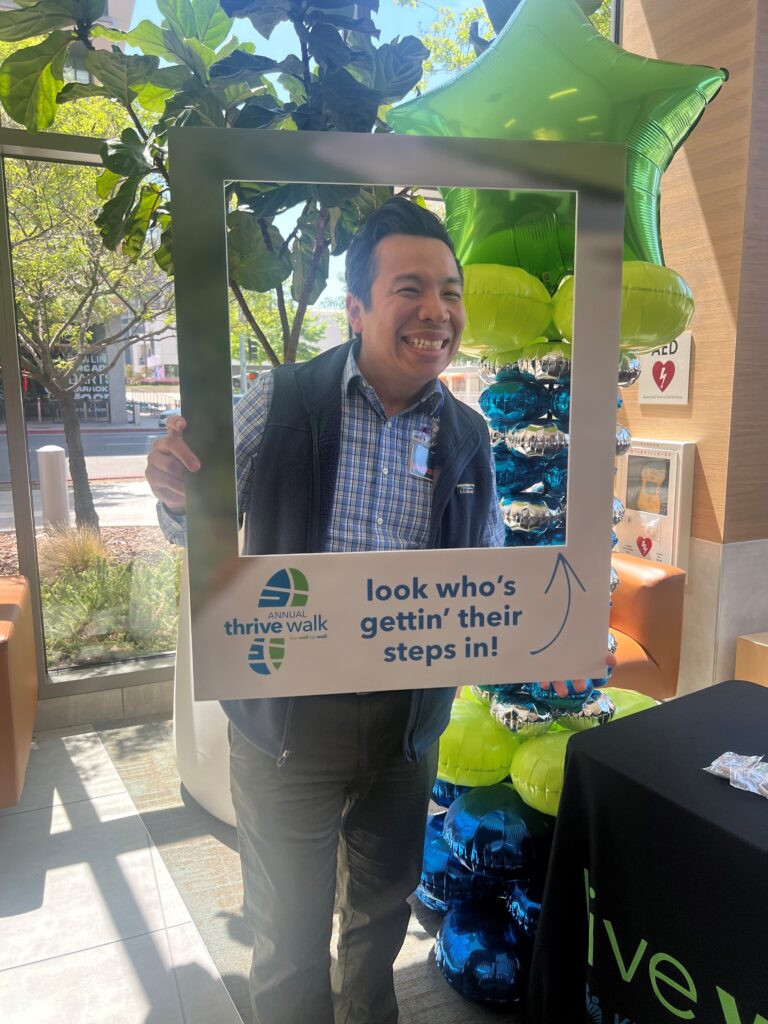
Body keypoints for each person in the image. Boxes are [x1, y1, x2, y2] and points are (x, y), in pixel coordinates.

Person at [146, 197, 588, 1024]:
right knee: (287, 936)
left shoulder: (467, 433)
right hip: (287, 722)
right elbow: (193, 524)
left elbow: (488, 570)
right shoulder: (280, 400)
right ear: (355, 308)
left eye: (450, 292)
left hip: (406, 726)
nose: (437, 312)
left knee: (380, 921)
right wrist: (174, 492)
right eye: (409, 289)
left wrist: (544, 630)